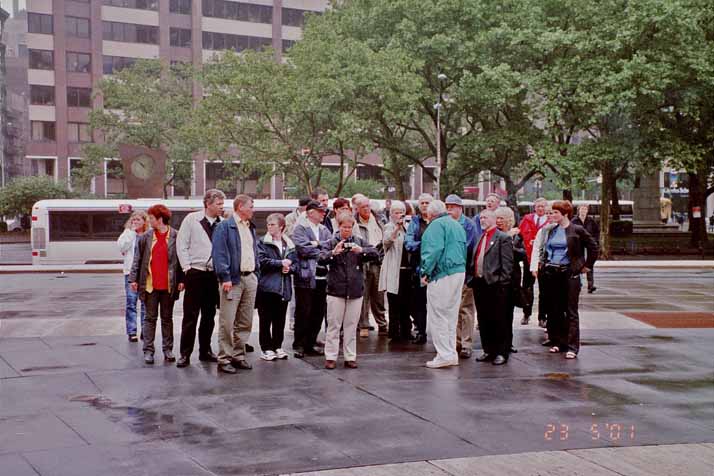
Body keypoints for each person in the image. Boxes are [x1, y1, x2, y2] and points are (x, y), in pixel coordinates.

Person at [538, 200, 598, 360]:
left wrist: (586, 266)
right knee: (555, 310)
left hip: (569, 274)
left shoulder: (576, 229)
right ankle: (559, 341)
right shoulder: (552, 230)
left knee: (571, 311)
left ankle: (572, 346)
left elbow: (593, 247)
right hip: (553, 272)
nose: (552, 215)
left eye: (555, 213)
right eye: (551, 212)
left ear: (565, 214)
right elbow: (545, 249)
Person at [320, 212, 380, 369]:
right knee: (333, 325)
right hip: (335, 289)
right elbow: (320, 258)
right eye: (344, 227)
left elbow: (375, 253)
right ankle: (331, 357)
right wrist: (334, 252)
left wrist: (361, 251)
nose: (347, 230)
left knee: (351, 325)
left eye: (350, 227)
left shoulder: (359, 241)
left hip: (355, 290)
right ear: (338, 227)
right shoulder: (331, 242)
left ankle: (350, 356)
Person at [175, 189, 225, 368]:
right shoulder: (191, 219)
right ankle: (185, 354)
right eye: (219, 204)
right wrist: (187, 269)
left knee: (209, 315)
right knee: (190, 315)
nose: (222, 207)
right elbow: (181, 245)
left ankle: (205, 351)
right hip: (195, 273)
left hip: (214, 275)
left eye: (222, 203)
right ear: (208, 204)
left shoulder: (223, 223)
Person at [129, 205, 184, 365]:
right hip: (150, 285)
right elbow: (137, 260)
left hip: (169, 286)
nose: (149, 220)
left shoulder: (176, 236)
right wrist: (133, 279)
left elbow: (180, 261)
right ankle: (148, 350)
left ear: (160, 219)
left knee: (167, 319)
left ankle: (168, 349)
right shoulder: (145, 237)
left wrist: (182, 280)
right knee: (149, 318)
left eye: (151, 218)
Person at [212, 194, 260, 374]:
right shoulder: (224, 227)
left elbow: (253, 251)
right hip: (232, 280)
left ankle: (238, 355)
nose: (253, 210)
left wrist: (256, 273)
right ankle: (224, 358)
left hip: (249, 278)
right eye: (251, 206)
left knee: (245, 320)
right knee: (227, 321)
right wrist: (225, 277)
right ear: (240, 207)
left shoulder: (249, 227)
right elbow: (220, 253)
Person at [420, 200, 467, 368]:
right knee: (451, 315)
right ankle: (451, 353)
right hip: (459, 271)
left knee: (438, 315)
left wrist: (425, 272)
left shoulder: (435, 226)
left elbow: (432, 251)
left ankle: (444, 354)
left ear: (430, 214)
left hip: (442, 273)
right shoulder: (456, 225)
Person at [470, 208, 513, 366]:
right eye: (481, 218)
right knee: (484, 319)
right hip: (480, 284)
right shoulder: (481, 236)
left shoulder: (502, 238)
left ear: (494, 219)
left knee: (499, 320)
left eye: (486, 217)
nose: (482, 220)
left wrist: (502, 284)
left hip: (495, 285)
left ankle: (502, 352)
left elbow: (507, 264)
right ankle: (488, 349)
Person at [292, 200, 332, 358]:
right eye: (320, 211)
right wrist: (320, 249)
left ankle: (311, 342)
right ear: (310, 213)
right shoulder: (300, 229)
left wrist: (315, 244)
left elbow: (330, 246)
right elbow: (302, 248)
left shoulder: (324, 229)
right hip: (306, 276)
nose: (323, 214)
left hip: (322, 276)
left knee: (318, 311)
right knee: (304, 311)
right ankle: (299, 344)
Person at [256, 213, 296, 361]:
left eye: (272, 224)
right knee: (265, 319)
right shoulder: (262, 242)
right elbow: (261, 261)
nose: (269, 227)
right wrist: (280, 264)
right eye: (268, 224)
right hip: (267, 287)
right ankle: (266, 348)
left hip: (283, 287)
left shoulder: (289, 245)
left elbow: (295, 264)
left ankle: (278, 346)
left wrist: (289, 268)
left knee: (280, 319)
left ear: (281, 226)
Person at [444, 194, 478, 359]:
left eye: (453, 207)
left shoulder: (469, 225)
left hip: (465, 273)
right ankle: (456, 341)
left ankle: (466, 343)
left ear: (460, 208)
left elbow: (467, 248)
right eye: (448, 207)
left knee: (466, 309)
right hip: (449, 274)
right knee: (453, 309)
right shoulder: (445, 224)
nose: (450, 210)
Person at [353, 195, 387, 337]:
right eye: (363, 207)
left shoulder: (380, 219)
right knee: (364, 294)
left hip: (379, 260)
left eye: (368, 206)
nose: (367, 209)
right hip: (363, 261)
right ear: (357, 209)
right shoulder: (354, 222)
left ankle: (382, 323)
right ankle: (364, 325)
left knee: (379, 294)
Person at [378, 201, 412, 342]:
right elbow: (386, 242)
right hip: (394, 270)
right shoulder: (388, 227)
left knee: (407, 303)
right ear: (391, 214)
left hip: (407, 270)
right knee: (394, 303)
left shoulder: (409, 227)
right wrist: (397, 228)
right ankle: (394, 332)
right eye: (396, 212)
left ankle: (407, 331)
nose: (399, 215)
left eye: (401, 212)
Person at [495, 206, 526, 354]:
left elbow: (522, 254)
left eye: (502, 218)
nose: (499, 221)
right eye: (497, 218)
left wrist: (507, 241)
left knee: (508, 313)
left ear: (509, 220)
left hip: (511, 278)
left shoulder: (516, 235)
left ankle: (508, 343)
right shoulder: (493, 234)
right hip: (495, 277)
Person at [404, 193, 433, 344]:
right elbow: (408, 243)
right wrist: (425, 244)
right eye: (422, 203)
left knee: (437, 304)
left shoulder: (438, 221)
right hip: (418, 269)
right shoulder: (415, 222)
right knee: (419, 303)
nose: (424, 205)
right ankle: (421, 332)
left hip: (436, 270)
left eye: (427, 202)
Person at [518, 197, 549, 325]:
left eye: (542, 206)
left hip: (543, 261)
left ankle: (542, 317)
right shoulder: (527, 219)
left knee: (544, 289)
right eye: (538, 206)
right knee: (527, 288)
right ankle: (526, 313)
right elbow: (519, 236)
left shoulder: (549, 221)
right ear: (534, 207)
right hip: (528, 258)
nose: (540, 209)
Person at [117, 211, 148, 342]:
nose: (135, 222)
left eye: (138, 220)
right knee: (131, 302)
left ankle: (145, 331)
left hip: (146, 273)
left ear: (144, 221)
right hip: (130, 272)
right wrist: (131, 232)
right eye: (133, 220)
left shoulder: (148, 235)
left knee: (145, 303)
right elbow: (122, 247)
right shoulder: (128, 233)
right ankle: (132, 331)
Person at [572, 204, 601, 293]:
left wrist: (594, 240)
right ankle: (578, 283)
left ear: (587, 211)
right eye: (582, 209)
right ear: (578, 210)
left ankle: (590, 285)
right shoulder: (574, 220)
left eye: (585, 209)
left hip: (589, 244)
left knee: (589, 264)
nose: (583, 211)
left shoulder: (591, 221)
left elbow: (597, 231)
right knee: (578, 263)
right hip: (578, 244)